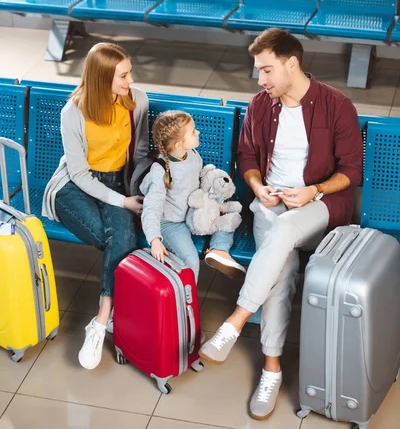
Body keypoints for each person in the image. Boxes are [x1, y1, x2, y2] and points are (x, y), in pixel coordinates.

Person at [200, 28, 363, 420]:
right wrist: (258, 187)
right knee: (282, 271)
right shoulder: (260, 105)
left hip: (321, 206)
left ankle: (236, 321)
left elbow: (350, 172)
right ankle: (271, 371)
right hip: (272, 205)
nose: (261, 80)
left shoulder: (336, 105)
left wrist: (313, 191)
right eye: (258, 71)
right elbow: (246, 157)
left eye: (267, 70)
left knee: (286, 230)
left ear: (292, 64)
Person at [42, 42, 151, 371]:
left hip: (118, 181)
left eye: (129, 73)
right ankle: (119, 314)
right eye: (123, 76)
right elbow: (78, 173)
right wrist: (123, 203)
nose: (130, 81)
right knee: (121, 242)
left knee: (120, 240)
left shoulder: (137, 101)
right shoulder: (73, 112)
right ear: (102, 78)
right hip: (73, 187)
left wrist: (139, 190)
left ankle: (100, 320)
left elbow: (142, 153)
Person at [140, 110, 246, 282]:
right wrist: (154, 240)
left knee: (228, 220)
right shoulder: (160, 171)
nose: (198, 132)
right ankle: (186, 305)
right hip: (171, 224)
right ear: (178, 144)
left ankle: (218, 250)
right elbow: (151, 208)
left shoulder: (192, 154)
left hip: (193, 212)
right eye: (193, 131)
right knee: (190, 259)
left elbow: (195, 182)